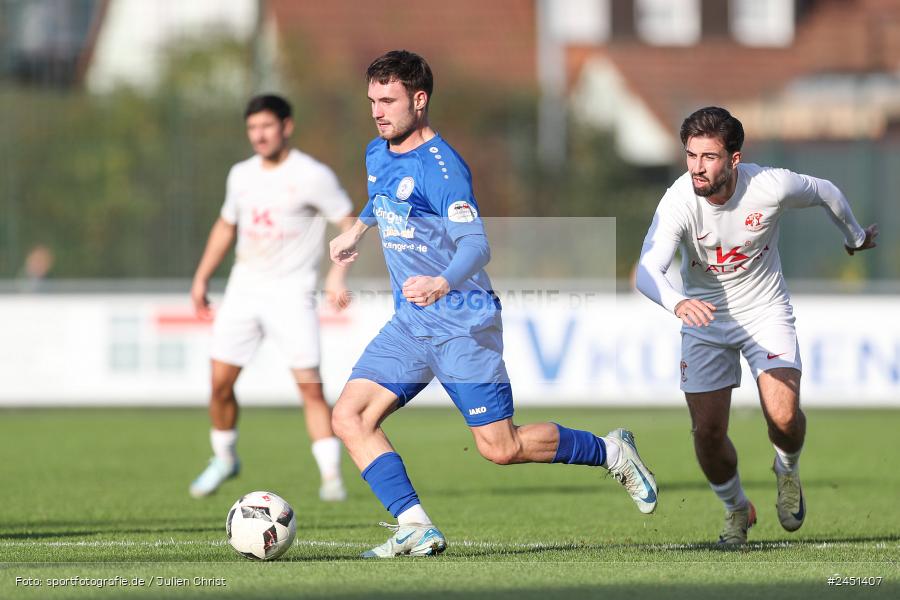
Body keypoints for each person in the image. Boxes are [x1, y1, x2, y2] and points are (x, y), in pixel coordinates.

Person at [328, 50, 658, 558]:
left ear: (420, 100)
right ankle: (415, 525)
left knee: (500, 448)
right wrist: (358, 228)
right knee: (350, 417)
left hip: (462, 322)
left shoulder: (445, 170)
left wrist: (441, 281)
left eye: (388, 100)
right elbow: (383, 196)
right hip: (411, 325)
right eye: (372, 99)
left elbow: (477, 245)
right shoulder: (377, 152)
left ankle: (612, 452)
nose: (378, 110)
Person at [636, 106, 878, 545]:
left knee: (783, 417)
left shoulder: (769, 185)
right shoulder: (678, 199)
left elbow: (826, 191)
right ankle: (735, 508)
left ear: (734, 158)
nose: (696, 167)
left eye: (708, 157)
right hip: (704, 320)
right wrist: (677, 302)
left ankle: (786, 470)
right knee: (708, 435)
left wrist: (855, 237)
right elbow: (646, 269)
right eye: (690, 156)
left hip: (765, 312)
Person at [189, 94, 356, 501]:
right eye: (252, 128)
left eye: (266, 126)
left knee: (310, 387)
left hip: (292, 293)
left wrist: (336, 274)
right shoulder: (240, 175)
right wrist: (201, 277)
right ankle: (225, 458)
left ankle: (331, 477)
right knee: (219, 385)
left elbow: (349, 222)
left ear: (286, 126)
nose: (259, 135)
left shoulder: (312, 174)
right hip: (244, 290)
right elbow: (226, 226)